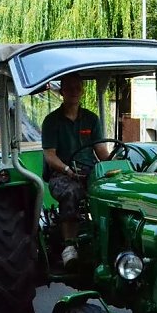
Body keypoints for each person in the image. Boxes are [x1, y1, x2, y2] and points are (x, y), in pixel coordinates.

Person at [41, 73, 108, 267]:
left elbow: (101, 150)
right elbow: (50, 156)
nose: (74, 91)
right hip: (61, 174)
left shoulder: (91, 119)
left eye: (77, 87)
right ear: (61, 91)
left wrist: (115, 164)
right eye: (69, 87)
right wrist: (68, 170)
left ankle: (106, 239)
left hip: (89, 171)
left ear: (82, 90)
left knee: (111, 190)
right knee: (70, 192)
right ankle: (69, 246)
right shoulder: (52, 121)